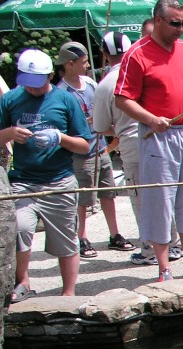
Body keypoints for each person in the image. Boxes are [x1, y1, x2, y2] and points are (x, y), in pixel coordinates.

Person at [115, 0, 183, 282]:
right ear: (158, 21)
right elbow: (123, 99)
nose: (180, 29)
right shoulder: (137, 55)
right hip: (158, 135)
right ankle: (164, 267)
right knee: (160, 199)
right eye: (175, 24)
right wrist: (150, 119)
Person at [0, 49, 92, 302]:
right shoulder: (10, 99)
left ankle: (68, 294)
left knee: (66, 239)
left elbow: (85, 145)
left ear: (50, 75)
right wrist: (11, 133)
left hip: (59, 179)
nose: (32, 89)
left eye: (37, 84)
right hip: (23, 181)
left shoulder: (66, 100)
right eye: (27, 83)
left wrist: (59, 138)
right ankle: (23, 281)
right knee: (20, 227)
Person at [94, 24, 183, 266]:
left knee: (141, 198)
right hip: (162, 140)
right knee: (164, 193)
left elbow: (101, 126)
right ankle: (173, 245)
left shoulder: (105, 85)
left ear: (104, 54)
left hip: (133, 146)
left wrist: (120, 127)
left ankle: (150, 249)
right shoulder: (147, 69)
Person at [54, 40, 135, 258]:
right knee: (83, 198)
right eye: (83, 62)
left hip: (101, 147)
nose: (88, 65)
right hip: (81, 154)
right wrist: (87, 122)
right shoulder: (61, 92)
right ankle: (81, 237)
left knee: (108, 193)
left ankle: (114, 234)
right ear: (69, 64)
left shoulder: (90, 83)